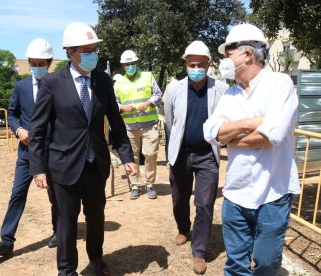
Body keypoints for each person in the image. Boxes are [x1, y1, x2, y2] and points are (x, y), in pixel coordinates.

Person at [29, 22, 137, 276]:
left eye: (94, 49)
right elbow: (38, 130)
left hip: (95, 164)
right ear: (70, 53)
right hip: (63, 166)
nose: (92, 54)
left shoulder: (102, 80)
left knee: (96, 218)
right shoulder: (53, 83)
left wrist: (127, 156)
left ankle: (96, 259)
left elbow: (116, 121)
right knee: (66, 223)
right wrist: (38, 169)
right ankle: (66, 270)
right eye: (86, 50)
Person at [203, 23, 300, 276]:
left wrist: (230, 135)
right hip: (236, 194)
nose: (225, 60)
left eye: (228, 54)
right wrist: (250, 123)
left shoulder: (279, 84)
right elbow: (210, 132)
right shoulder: (230, 94)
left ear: (246, 54)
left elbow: (272, 135)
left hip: (273, 193)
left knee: (266, 263)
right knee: (235, 264)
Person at [0, 38, 58, 257]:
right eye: (33, 63)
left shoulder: (58, 85)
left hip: (52, 152)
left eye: (41, 63)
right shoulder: (21, 86)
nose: (36, 67)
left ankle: (59, 231)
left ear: (49, 63)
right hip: (26, 153)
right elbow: (12, 113)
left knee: (56, 196)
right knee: (17, 194)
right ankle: (6, 241)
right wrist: (18, 130)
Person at [164, 41, 228, 274]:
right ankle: (183, 228)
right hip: (180, 155)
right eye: (192, 64)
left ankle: (199, 251)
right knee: (179, 199)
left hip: (207, 156)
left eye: (201, 64)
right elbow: (170, 121)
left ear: (209, 64)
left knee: (204, 203)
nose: (196, 68)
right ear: (185, 65)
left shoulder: (220, 89)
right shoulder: (174, 89)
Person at [114, 50, 162, 199]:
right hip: (129, 126)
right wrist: (121, 107)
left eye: (132, 63)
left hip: (149, 124)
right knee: (132, 157)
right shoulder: (118, 82)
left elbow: (158, 94)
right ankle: (135, 185)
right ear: (123, 65)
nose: (130, 66)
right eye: (127, 64)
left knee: (151, 155)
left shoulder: (147, 77)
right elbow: (113, 102)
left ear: (136, 63)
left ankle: (149, 184)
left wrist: (149, 102)